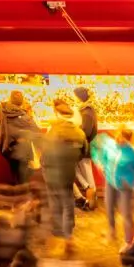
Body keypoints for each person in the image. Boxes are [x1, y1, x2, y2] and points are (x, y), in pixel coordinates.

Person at [42, 98, 87, 251]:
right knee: (68, 202)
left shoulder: (53, 131)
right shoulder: (80, 133)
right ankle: (68, 235)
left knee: (55, 202)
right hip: (68, 173)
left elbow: (45, 152)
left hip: (52, 172)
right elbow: (83, 153)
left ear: (58, 114)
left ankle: (57, 232)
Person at [95, 127, 134, 245]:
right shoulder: (111, 147)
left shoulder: (133, 154)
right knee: (109, 208)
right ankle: (111, 233)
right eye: (118, 135)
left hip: (125, 186)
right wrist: (102, 164)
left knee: (126, 213)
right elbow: (104, 158)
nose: (118, 138)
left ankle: (128, 241)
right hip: (110, 183)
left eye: (121, 137)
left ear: (128, 140)